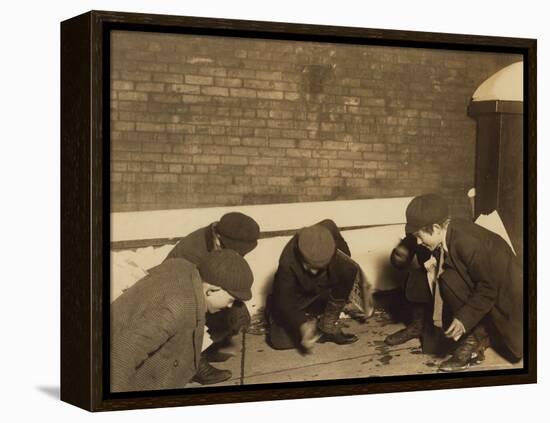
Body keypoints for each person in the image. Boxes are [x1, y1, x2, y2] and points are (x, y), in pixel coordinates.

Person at [402, 193, 523, 372]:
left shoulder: (466, 242)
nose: (418, 242)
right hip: (490, 284)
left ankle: (475, 341)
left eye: (420, 236)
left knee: (449, 281)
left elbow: (488, 287)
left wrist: (464, 319)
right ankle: (477, 334)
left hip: (510, 294)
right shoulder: (448, 232)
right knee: (446, 277)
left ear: (436, 228)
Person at [111, 249, 254, 392]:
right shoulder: (176, 307)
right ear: (212, 290)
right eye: (231, 300)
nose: (230, 306)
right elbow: (120, 356)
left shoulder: (183, 267)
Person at [164, 212, 260, 384]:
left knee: (238, 316)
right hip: (179, 299)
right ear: (220, 239)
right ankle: (194, 364)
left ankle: (208, 347)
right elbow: (187, 303)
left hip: (204, 293)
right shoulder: (192, 252)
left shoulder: (226, 242)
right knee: (195, 315)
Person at [267, 219, 359, 351]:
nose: (313, 271)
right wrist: (303, 325)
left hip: (322, 287)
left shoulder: (329, 229)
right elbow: (285, 301)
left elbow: (347, 259)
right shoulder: (287, 262)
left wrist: (354, 294)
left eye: (319, 266)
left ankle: (327, 325)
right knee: (279, 341)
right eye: (310, 266)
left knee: (348, 268)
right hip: (299, 293)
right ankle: (275, 309)